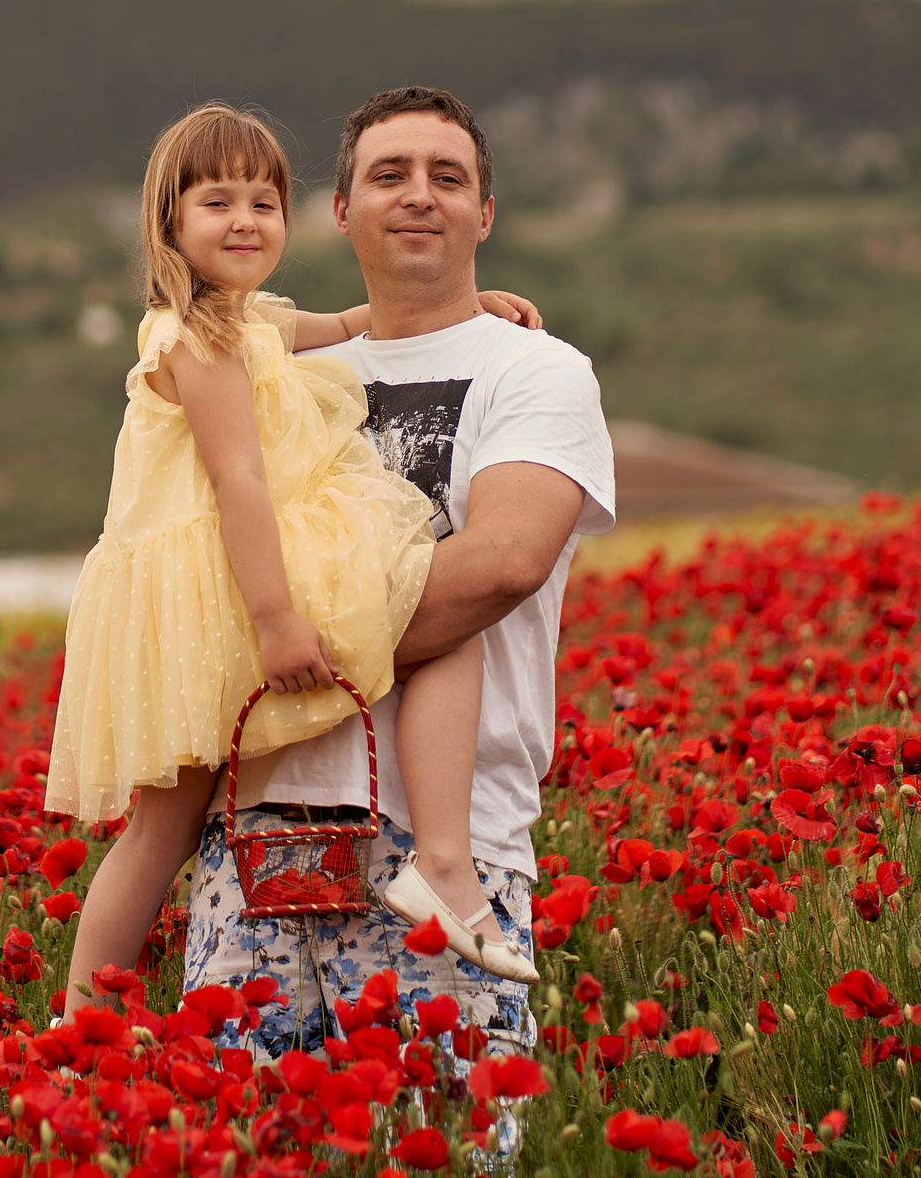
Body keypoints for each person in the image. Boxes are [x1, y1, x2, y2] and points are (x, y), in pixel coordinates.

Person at [48, 102, 546, 1013]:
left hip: (204, 595)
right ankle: (443, 862)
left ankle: (81, 1024)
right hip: (240, 585)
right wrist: (277, 620)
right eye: (217, 203)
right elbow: (239, 480)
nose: (245, 221)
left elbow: (349, 320)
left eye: (264, 203)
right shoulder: (200, 341)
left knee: (160, 831)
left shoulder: (245, 322)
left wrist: (475, 309)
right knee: (445, 623)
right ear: (169, 222)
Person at [179, 85, 615, 1056]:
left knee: (445, 1129)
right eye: (389, 175)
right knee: (235, 1129)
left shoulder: (536, 370)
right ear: (340, 211)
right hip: (255, 841)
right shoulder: (266, 371)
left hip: (445, 843)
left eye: (446, 177)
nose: (419, 193)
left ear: (484, 213)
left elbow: (501, 563)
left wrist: (283, 660)